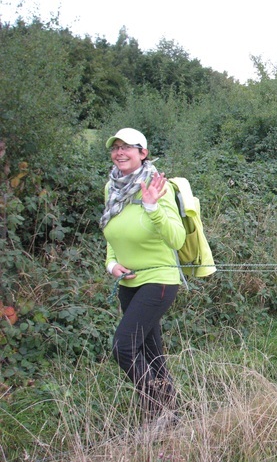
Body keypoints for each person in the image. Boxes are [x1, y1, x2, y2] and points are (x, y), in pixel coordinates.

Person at [101, 128, 185, 423]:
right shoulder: (112, 187)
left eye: (127, 148)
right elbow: (112, 231)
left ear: (143, 153)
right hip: (128, 281)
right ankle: (173, 410)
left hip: (159, 279)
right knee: (152, 352)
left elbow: (177, 238)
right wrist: (111, 263)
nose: (119, 153)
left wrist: (152, 207)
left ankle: (158, 410)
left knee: (123, 347)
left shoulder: (158, 186)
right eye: (116, 148)